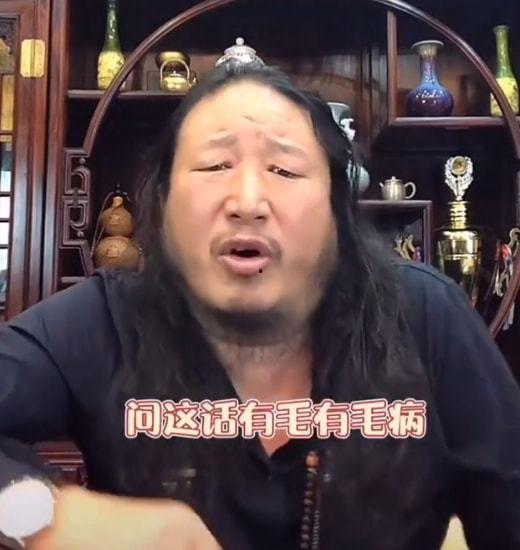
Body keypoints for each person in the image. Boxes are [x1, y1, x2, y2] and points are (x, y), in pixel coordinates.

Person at [0, 62, 519, 550]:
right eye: (214, 165)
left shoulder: (424, 314)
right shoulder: (103, 321)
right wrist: (41, 515)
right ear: (162, 203)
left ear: (337, 210)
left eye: (285, 170)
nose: (247, 201)